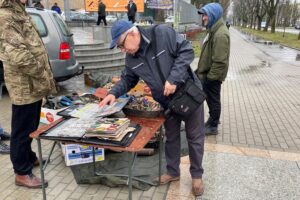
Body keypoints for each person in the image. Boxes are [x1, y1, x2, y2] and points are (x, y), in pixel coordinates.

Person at [99, 20, 205, 196]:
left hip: (188, 95)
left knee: (195, 137)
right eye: (119, 48)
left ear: (132, 34)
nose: (123, 50)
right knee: (171, 138)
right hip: (167, 102)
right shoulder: (131, 58)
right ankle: (172, 172)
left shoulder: (162, 33)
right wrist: (113, 93)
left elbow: (186, 51)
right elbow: (128, 79)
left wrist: (173, 78)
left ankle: (196, 176)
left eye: (121, 45)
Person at [0, 0, 56, 188]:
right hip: (24, 85)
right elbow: (18, 56)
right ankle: (21, 172)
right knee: (22, 130)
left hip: (33, 84)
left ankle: (29, 157)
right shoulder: (5, 16)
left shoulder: (19, 11)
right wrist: (42, 73)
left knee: (31, 125)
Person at [196, 3, 230, 135]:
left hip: (213, 76)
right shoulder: (213, 30)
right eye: (203, 15)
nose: (203, 18)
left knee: (213, 100)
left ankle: (213, 126)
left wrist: (210, 79)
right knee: (210, 99)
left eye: (205, 15)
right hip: (207, 73)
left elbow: (220, 62)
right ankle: (212, 120)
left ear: (213, 15)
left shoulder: (220, 34)